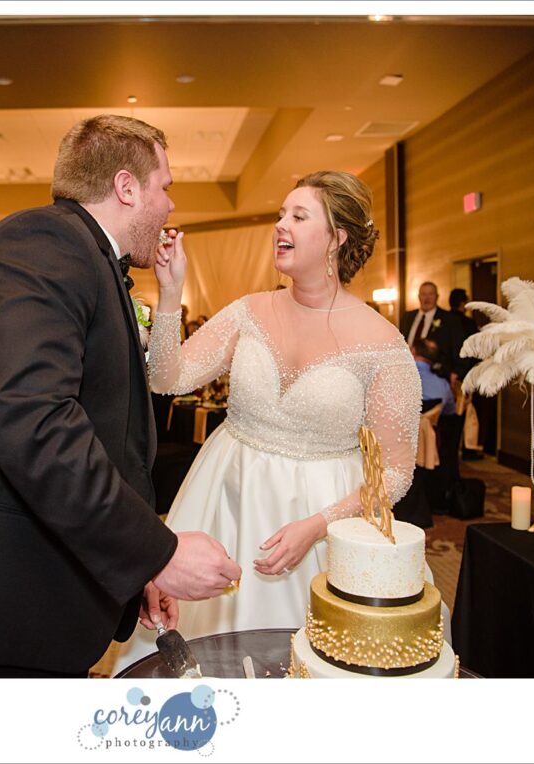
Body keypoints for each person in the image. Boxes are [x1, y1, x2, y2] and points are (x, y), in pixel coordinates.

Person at [0, 114, 241, 678]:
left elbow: (101, 429)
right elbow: (35, 423)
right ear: (126, 186)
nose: (170, 205)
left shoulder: (82, 255)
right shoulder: (43, 244)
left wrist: (131, 568)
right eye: (165, 187)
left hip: (24, 594)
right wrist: (155, 552)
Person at [116, 170, 427, 670]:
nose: (280, 225)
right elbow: (168, 378)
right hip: (228, 495)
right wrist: (170, 293)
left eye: (299, 216)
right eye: (281, 214)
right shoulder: (249, 311)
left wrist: (318, 526)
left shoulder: (382, 344)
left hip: (323, 511)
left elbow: (395, 472)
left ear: (337, 238)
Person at [400, 281, 464, 382]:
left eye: (430, 294)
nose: (427, 298)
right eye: (423, 294)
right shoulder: (407, 317)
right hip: (408, 374)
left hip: (437, 375)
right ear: (419, 297)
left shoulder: (449, 319)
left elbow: (458, 347)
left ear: (437, 297)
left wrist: (457, 372)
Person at [412, 337, 455, 415]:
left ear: (413, 351)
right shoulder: (444, 385)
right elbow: (450, 413)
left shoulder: (396, 377)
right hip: (432, 422)